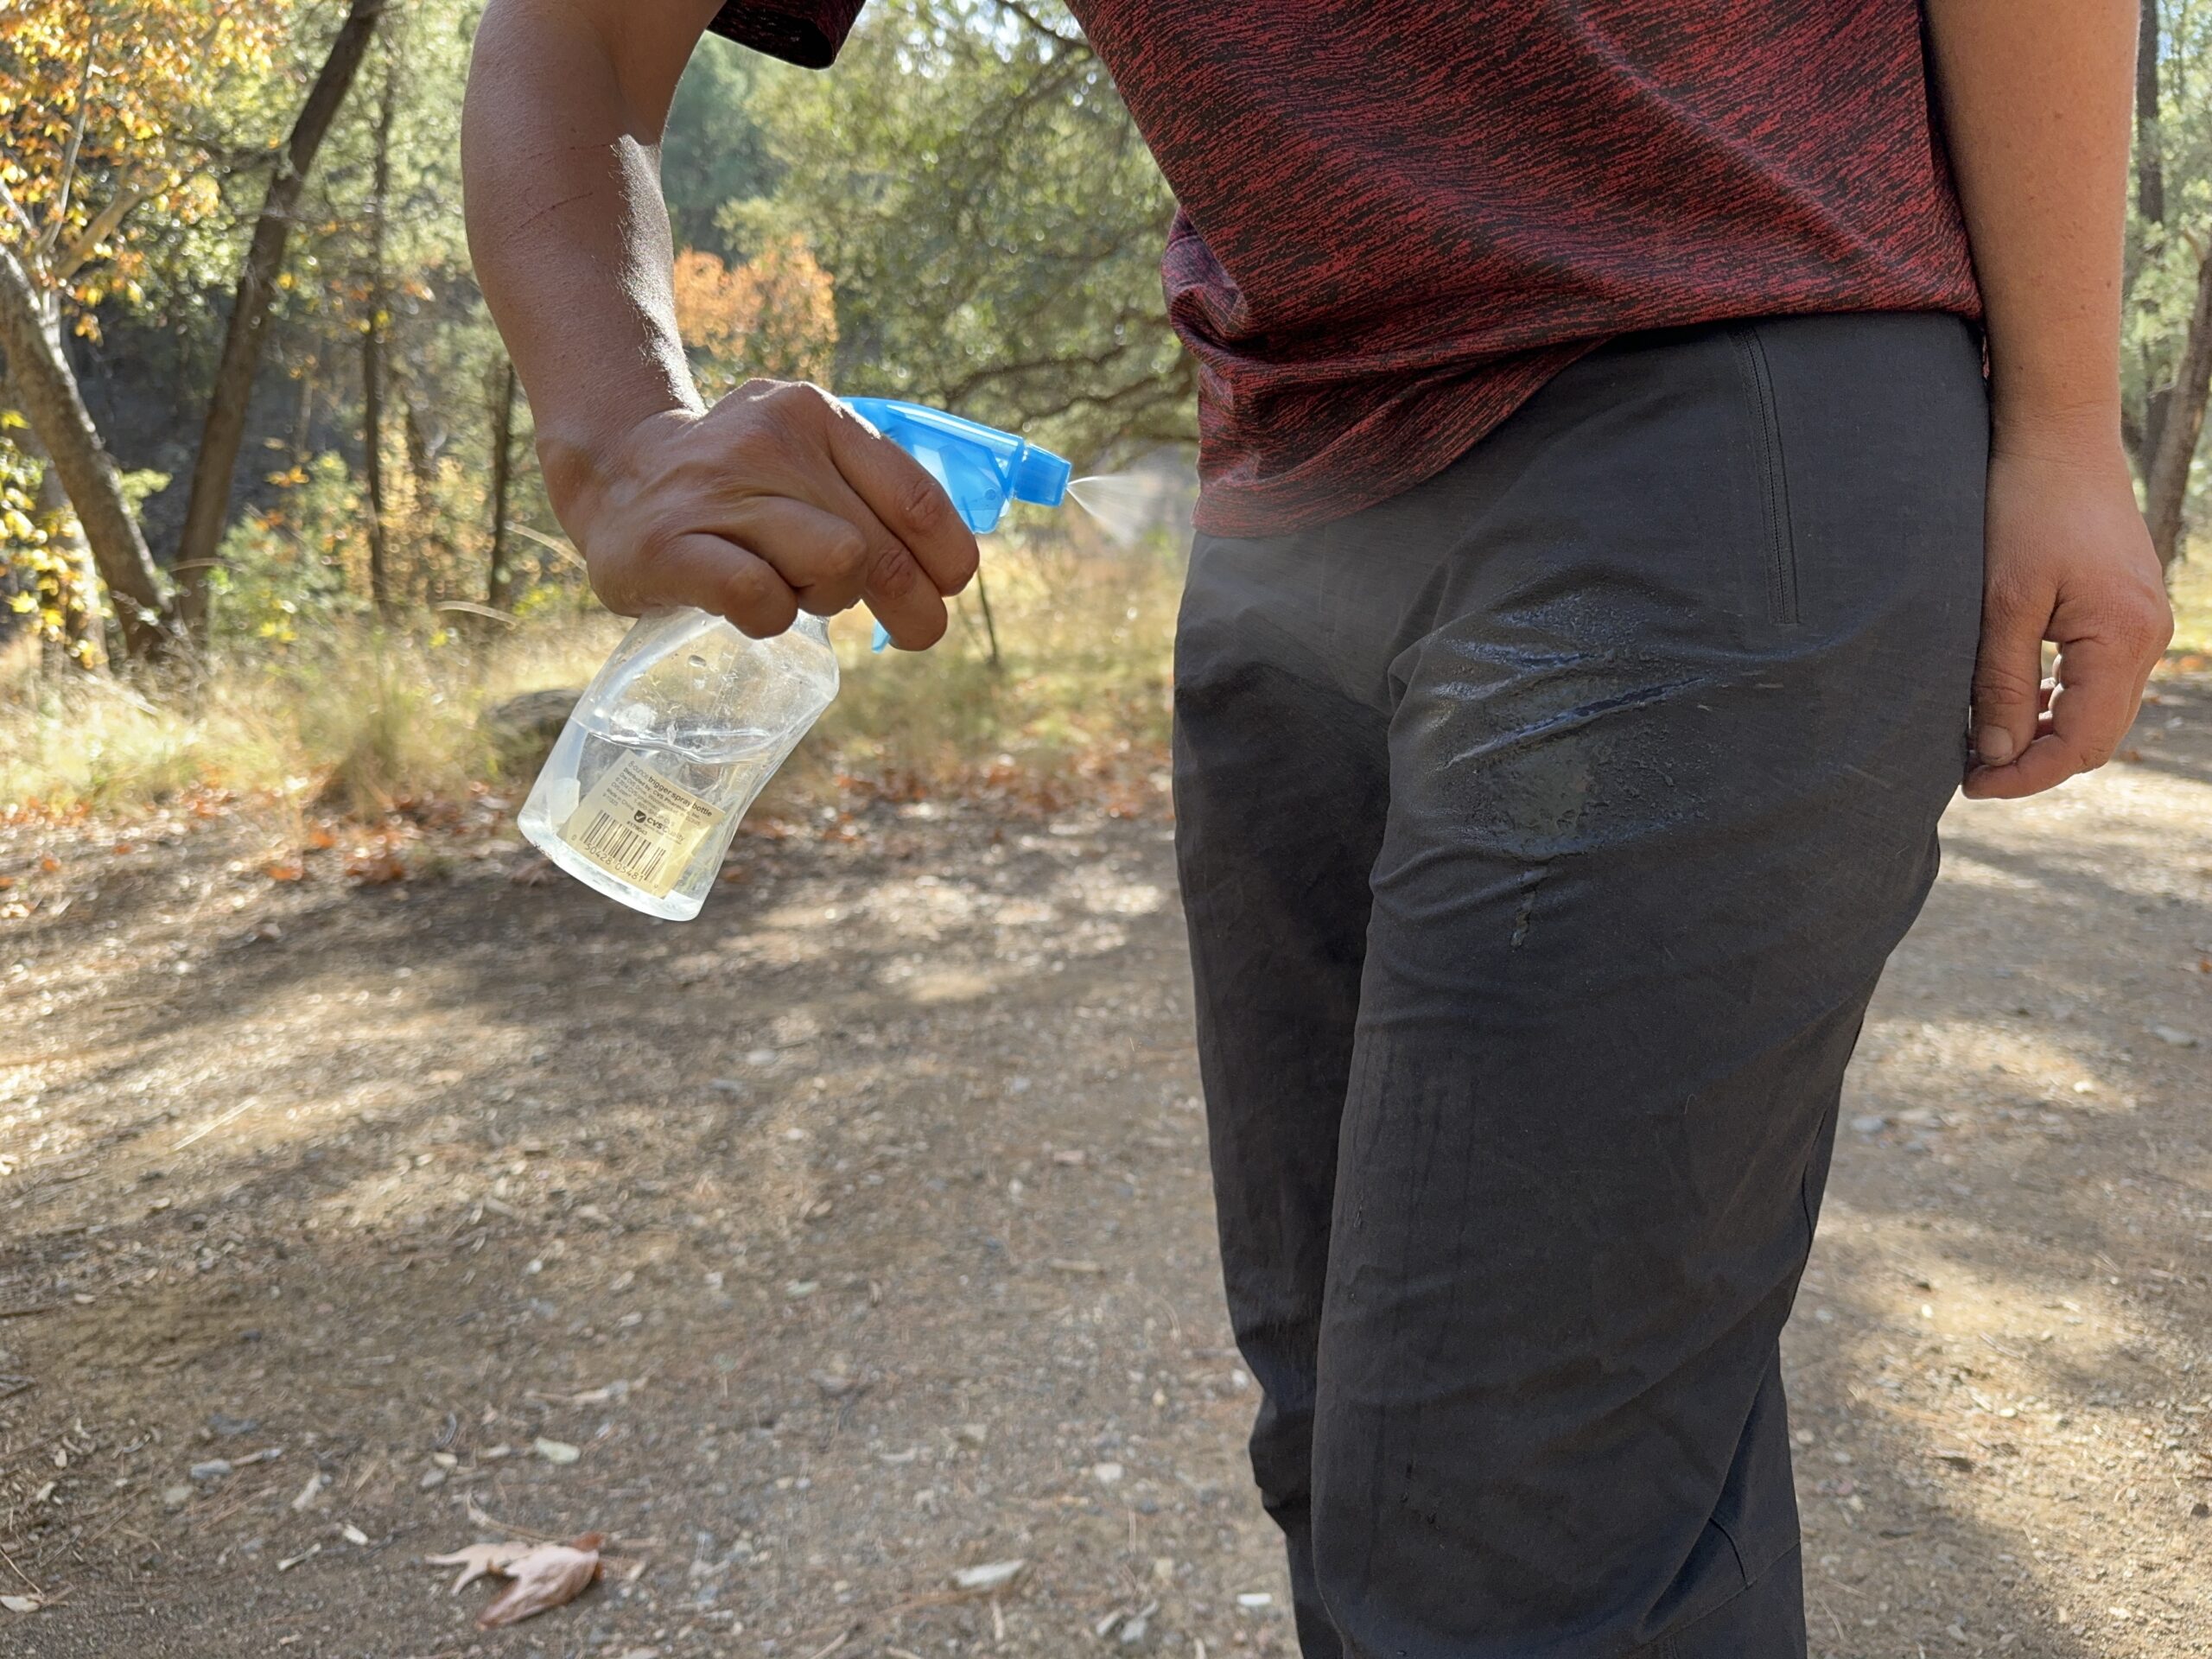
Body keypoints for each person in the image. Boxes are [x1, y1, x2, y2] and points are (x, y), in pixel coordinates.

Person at [461, 3, 2172, 1653]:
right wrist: (614, 439)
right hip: (1289, 486)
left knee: (1505, 1522)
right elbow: (580, 32)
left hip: (1722, 383)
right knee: (1341, 1437)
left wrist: (2061, 423)